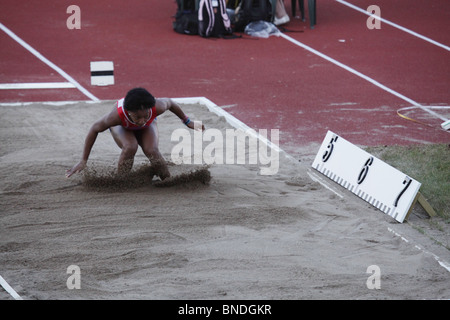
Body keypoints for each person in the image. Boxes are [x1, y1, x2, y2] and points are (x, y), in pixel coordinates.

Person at [66, 87, 205, 180]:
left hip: (149, 127)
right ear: (129, 112)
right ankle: (122, 181)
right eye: (137, 117)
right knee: (131, 146)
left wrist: (188, 122)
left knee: (152, 150)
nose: (142, 121)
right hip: (122, 127)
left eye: (145, 116)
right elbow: (94, 129)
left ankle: (167, 180)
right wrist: (83, 160)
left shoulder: (158, 106)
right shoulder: (115, 116)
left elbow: (172, 103)